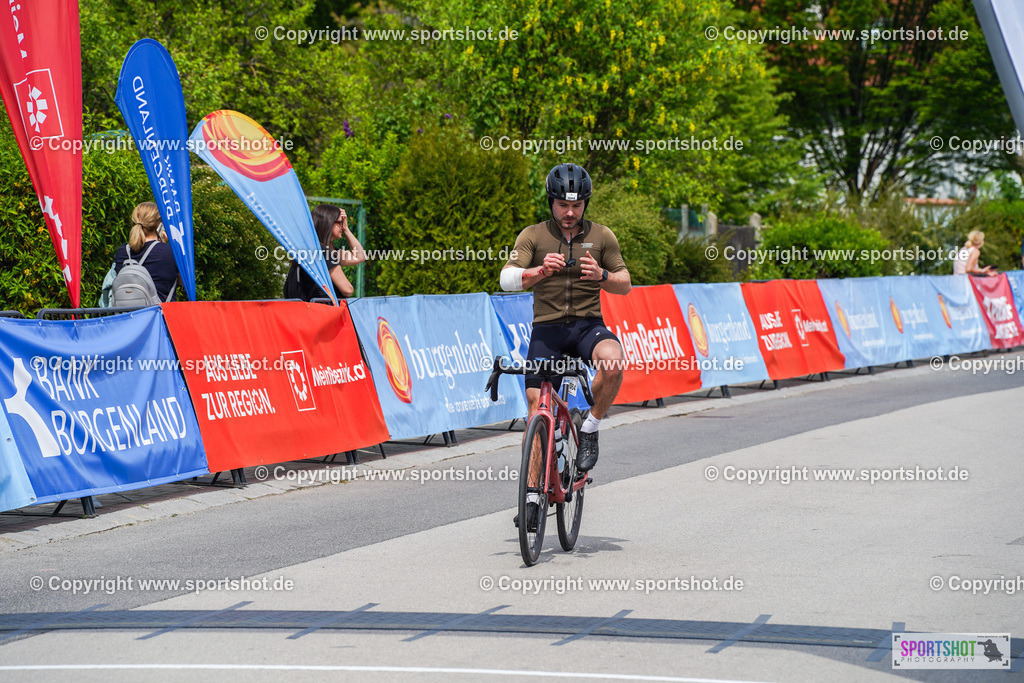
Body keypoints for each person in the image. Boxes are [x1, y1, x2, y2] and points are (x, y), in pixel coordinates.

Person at [500, 163, 631, 530]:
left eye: (576, 205)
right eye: (562, 205)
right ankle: (531, 497)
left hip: (588, 327)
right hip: (548, 331)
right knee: (535, 406)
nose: (569, 213)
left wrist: (602, 276)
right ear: (551, 203)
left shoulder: (603, 236)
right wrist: (538, 272)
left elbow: (625, 282)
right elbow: (508, 278)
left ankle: (589, 427)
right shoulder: (533, 235)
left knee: (615, 362)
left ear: (586, 203)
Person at [283, 204, 366, 300]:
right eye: (339, 222)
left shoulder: (312, 248)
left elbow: (359, 256)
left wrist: (346, 229)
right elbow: (347, 289)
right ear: (328, 223)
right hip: (319, 311)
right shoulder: (322, 252)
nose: (342, 226)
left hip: (306, 310)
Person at [113, 202, 179, 301]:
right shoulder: (169, 251)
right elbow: (185, 282)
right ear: (159, 226)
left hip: (128, 314)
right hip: (159, 315)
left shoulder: (122, 252)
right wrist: (165, 242)